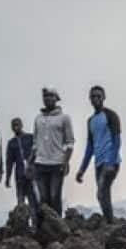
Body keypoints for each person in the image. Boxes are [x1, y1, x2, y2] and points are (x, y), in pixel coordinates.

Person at [77, 86, 123, 222]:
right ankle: (110, 222)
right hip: (98, 163)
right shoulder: (90, 121)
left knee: (102, 192)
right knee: (103, 195)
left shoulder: (111, 115)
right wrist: (81, 170)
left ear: (104, 97)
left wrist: (110, 162)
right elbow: (89, 147)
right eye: (93, 96)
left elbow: (117, 141)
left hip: (111, 161)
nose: (96, 98)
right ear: (90, 99)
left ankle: (110, 223)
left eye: (98, 96)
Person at [30, 87, 75, 217]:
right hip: (40, 163)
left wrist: (66, 162)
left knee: (55, 197)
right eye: (45, 96)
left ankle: (57, 227)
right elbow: (35, 143)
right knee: (43, 198)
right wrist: (30, 162)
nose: (47, 98)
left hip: (57, 163)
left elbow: (70, 142)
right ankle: (45, 229)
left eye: (51, 96)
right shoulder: (38, 119)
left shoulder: (64, 118)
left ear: (56, 98)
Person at [4, 117, 38, 227]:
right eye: (13, 125)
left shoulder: (30, 138)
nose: (16, 127)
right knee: (20, 200)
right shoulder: (11, 143)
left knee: (33, 199)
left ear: (22, 125)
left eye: (17, 124)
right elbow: (9, 162)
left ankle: (35, 223)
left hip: (31, 174)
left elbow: (37, 153)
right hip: (19, 176)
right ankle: (22, 225)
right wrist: (7, 178)